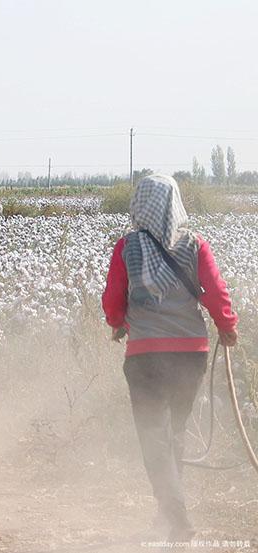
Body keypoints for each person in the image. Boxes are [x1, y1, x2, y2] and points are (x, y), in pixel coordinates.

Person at [101, 174, 237, 541]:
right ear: (175, 202)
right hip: (191, 354)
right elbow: (214, 290)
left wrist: (117, 324)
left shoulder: (126, 247)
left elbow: (114, 298)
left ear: (140, 204)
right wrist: (227, 326)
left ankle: (176, 517)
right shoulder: (195, 245)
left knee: (153, 438)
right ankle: (169, 515)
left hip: (145, 356)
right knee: (174, 434)